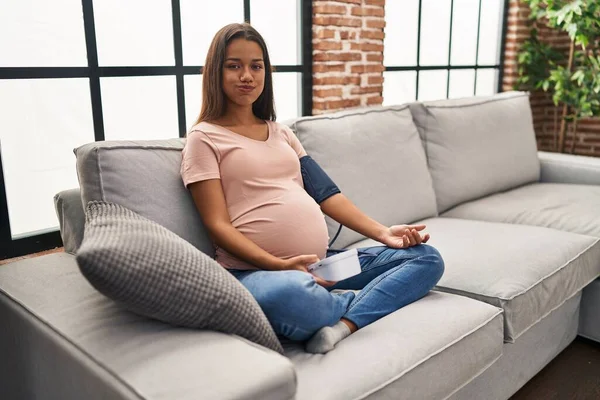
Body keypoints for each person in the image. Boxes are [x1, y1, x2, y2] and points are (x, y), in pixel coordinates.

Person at [180, 23, 444, 354]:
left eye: (256, 66)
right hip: (255, 272)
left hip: (322, 266)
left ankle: (343, 325)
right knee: (295, 298)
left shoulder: (282, 134)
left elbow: (327, 195)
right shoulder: (204, 139)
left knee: (426, 259)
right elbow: (217, 226)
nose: (246, 75)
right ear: (215, 73)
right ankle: (351, 302)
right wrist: (278, 265)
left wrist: (384, 234)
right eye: (234, 65)